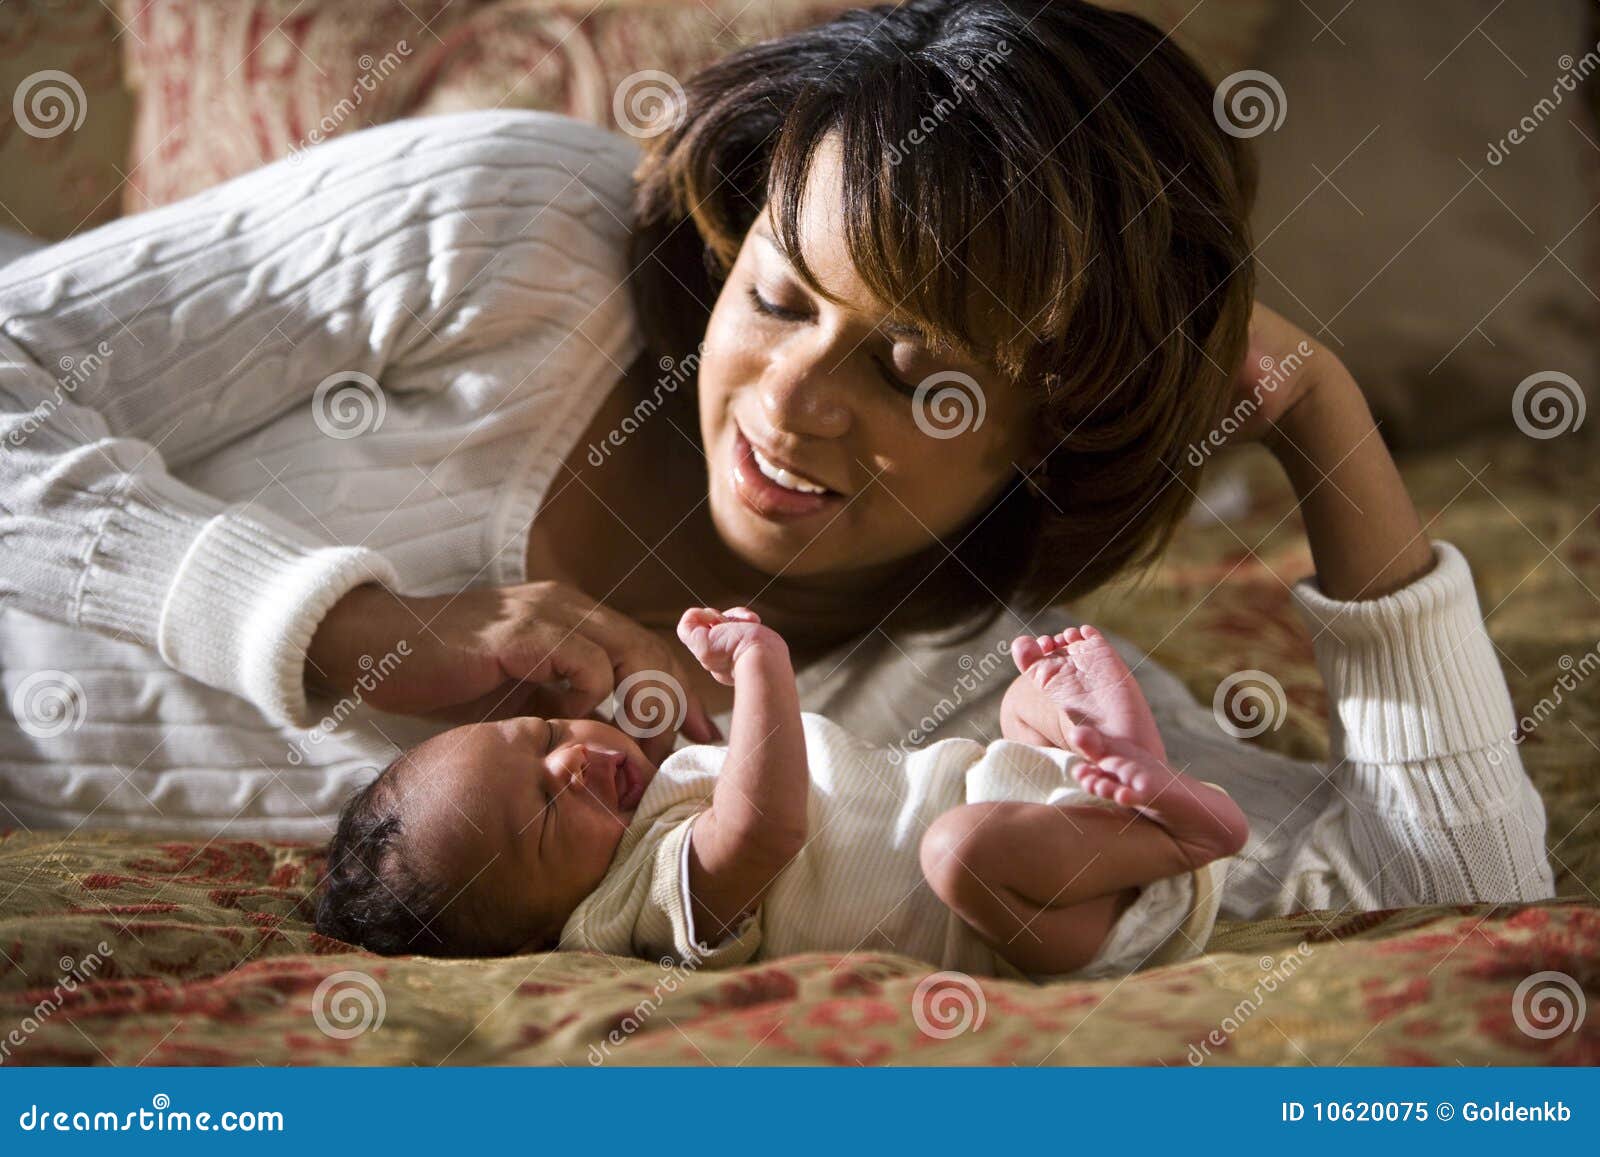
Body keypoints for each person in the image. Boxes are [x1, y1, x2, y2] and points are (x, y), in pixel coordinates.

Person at [0, 2, 1551, 928]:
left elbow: (1454, 905)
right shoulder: (509, 237)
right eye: (781, 296)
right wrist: (340, 629)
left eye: (915, 372)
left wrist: (1322, 408)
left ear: (1060, 419)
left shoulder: (967, 711)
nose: (788, 408)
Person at [315, 609, 1249, 977]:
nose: (574, 760)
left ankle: (1124, 768)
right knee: (956, 852)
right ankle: (1179, 833)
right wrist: (760, 666)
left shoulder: (668, 797)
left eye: (549, 736)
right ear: (530, 928)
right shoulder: (639, 904)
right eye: (548, 813)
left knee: (1024, 697)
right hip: (1047, 913)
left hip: (1023, 798)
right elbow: (765, 825)